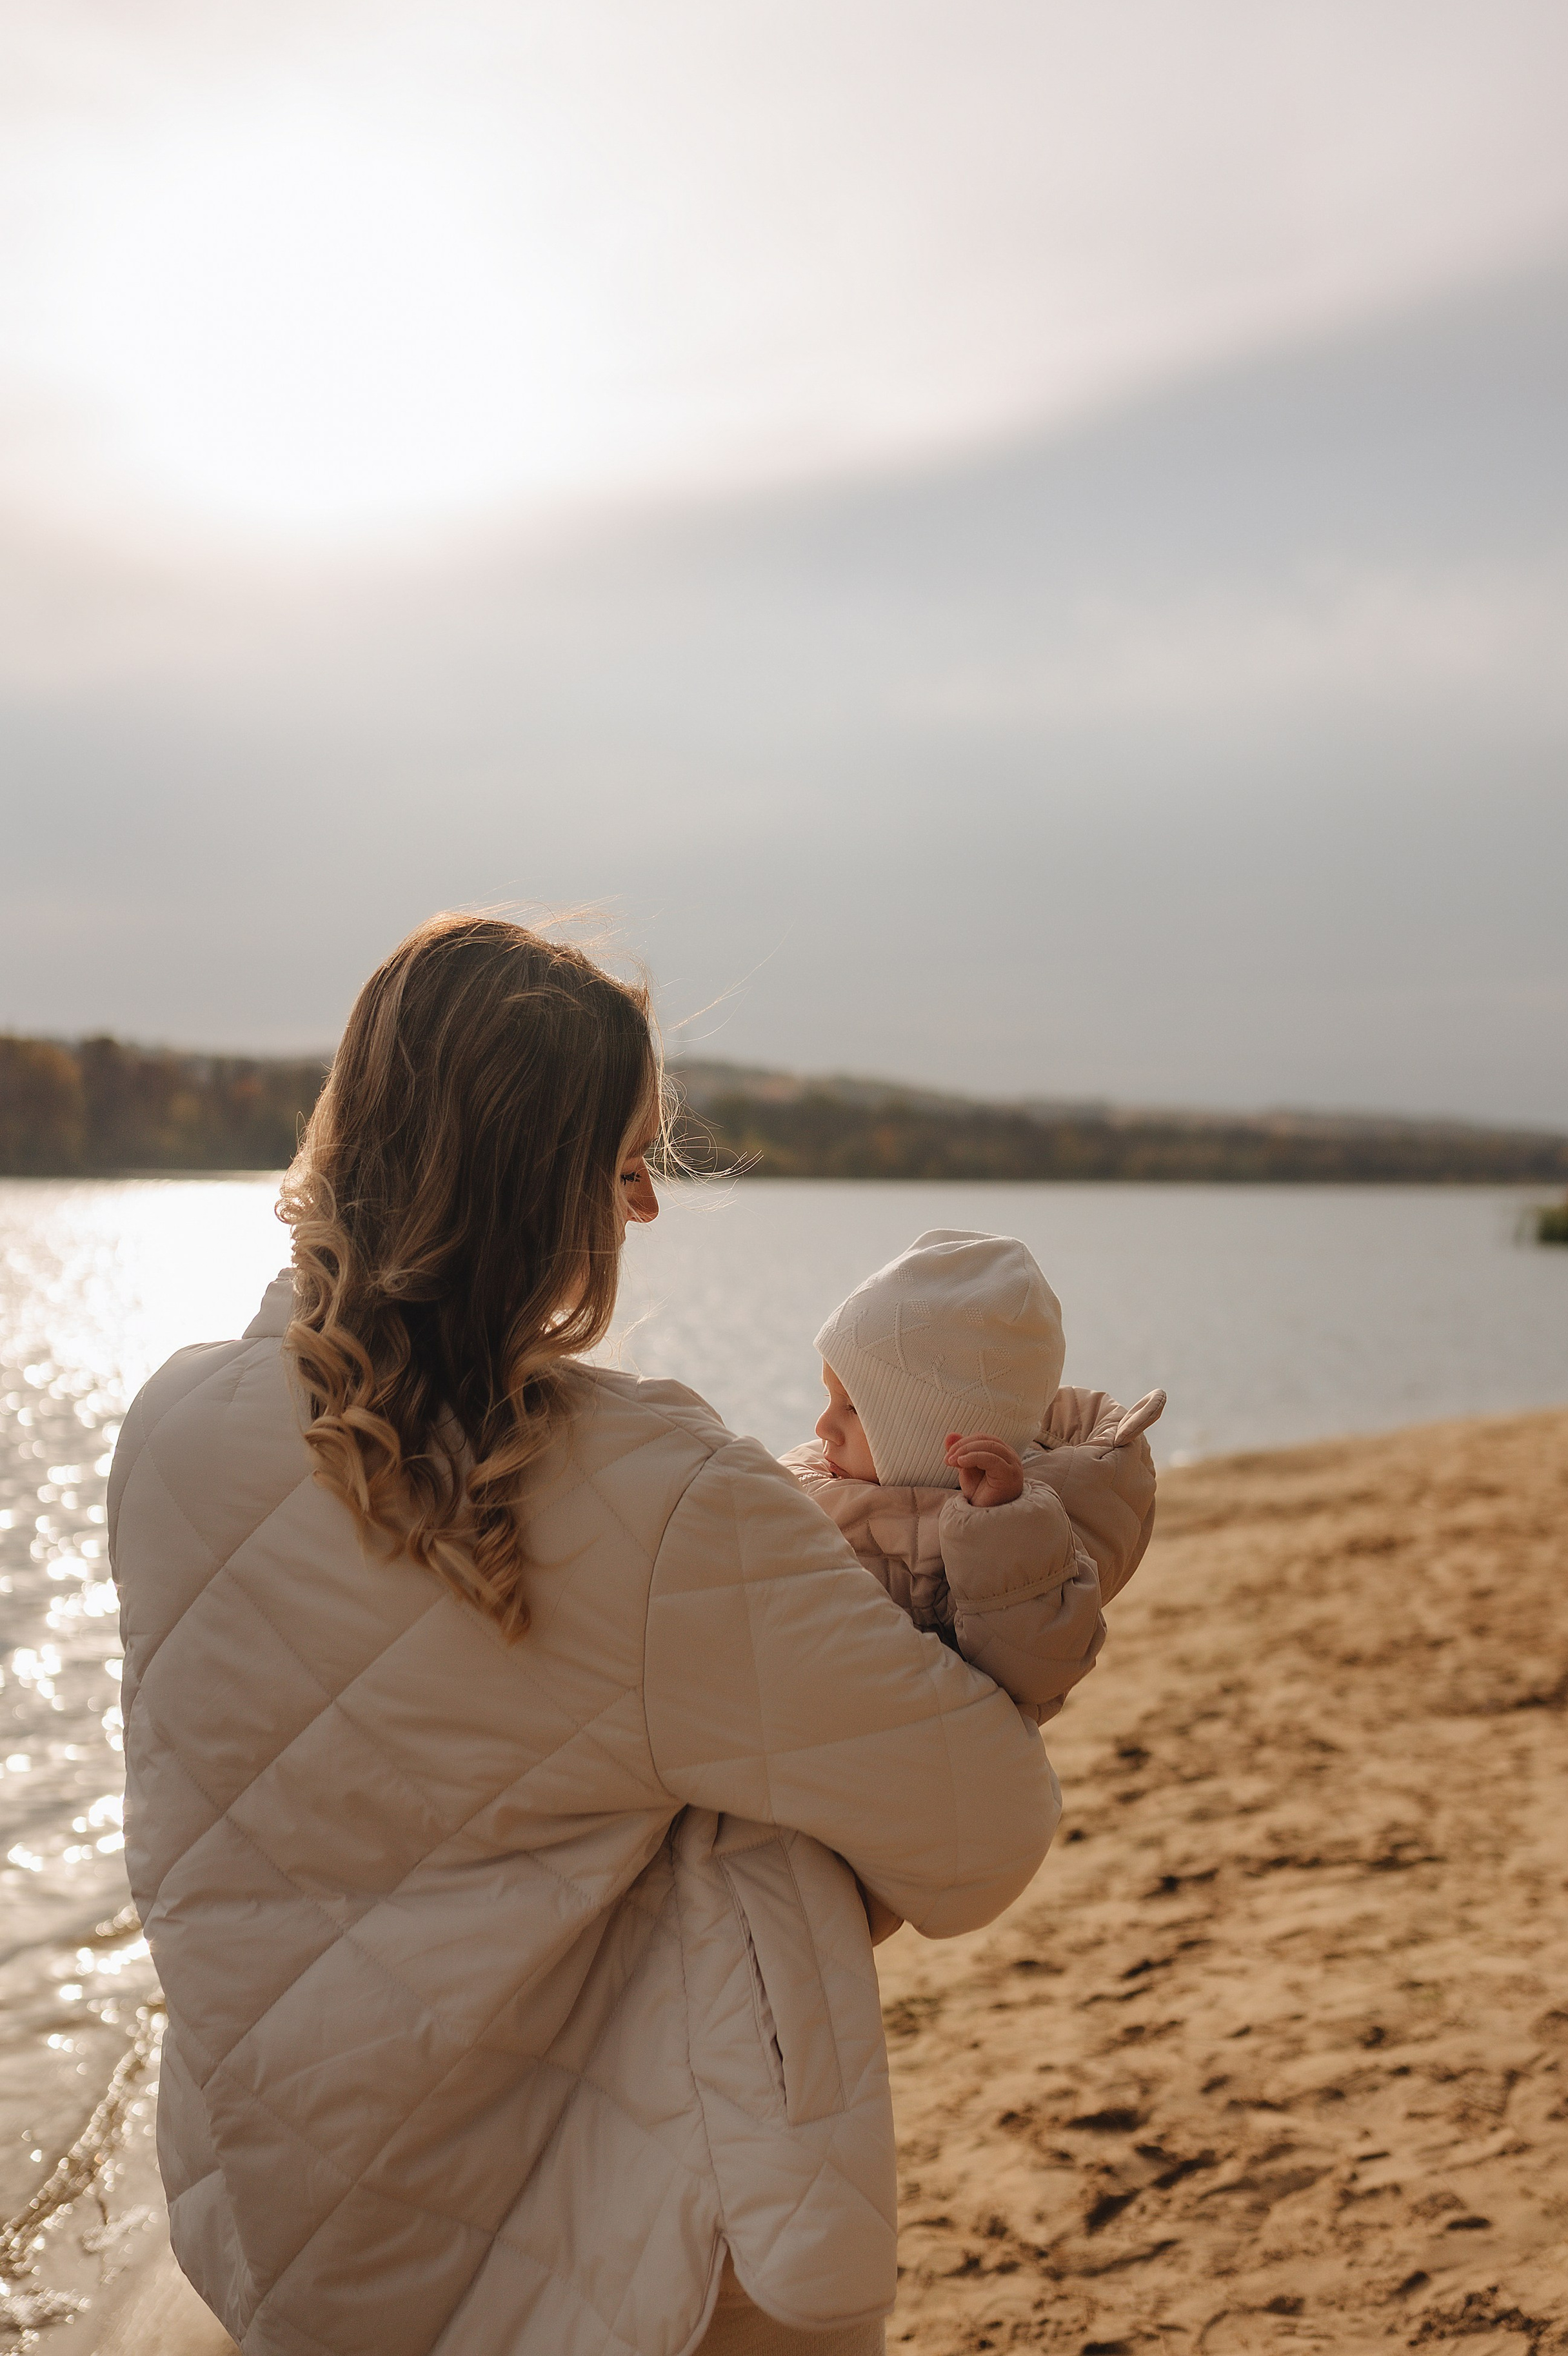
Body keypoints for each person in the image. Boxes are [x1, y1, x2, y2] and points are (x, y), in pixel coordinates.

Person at [108, 914, 1061, 2356]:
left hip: (284, 2235)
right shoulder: (665, 1498)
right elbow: (984, 1827)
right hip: (619, 2260)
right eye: (627, 1167)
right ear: (535, 1185)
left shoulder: (168, 1437)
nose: (647, 1213)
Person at [780, 1231, 1165, 1725]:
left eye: (853, 1408)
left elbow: (1035, 1668)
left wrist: (1001, 1526)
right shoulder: (815, 1473)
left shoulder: (1006, 1535)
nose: (822, 1427)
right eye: (829, 1398)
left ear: (931, 1437)